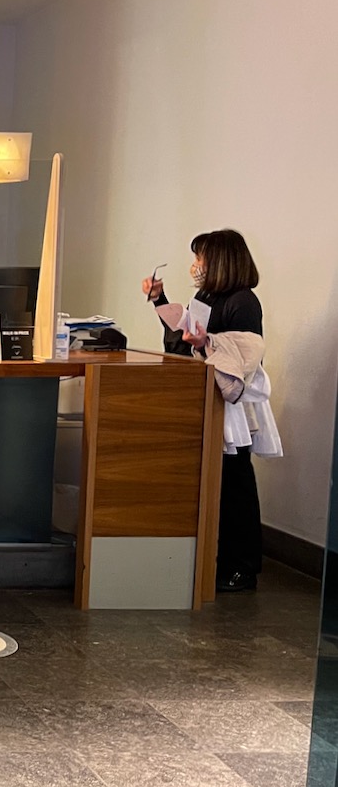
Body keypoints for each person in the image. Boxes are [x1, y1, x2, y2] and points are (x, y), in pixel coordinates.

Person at [143, 229, 277, 592]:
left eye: (201, 259)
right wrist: (161, 301)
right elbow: (183, 339)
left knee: (235, 484)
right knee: (216, 483)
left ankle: (243, 567)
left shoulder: (243, 301)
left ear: (220, 260)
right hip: (206, 397)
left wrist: (208, 342)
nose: (196, 266)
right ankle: (215, 559)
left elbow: (244, 353)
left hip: (231, 406)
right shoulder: (206, 295)